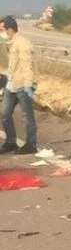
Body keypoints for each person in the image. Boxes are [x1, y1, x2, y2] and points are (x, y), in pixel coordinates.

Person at [1, 15, 37, 155]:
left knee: (27, 116)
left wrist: (28, 85)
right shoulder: (12, 43)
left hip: (22, 85)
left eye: (2, 29)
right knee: (5, 114)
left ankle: (30, 144)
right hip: (12, 84)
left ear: (9, 29)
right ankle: (11, 142)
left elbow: (27, 66)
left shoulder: (23, 44)